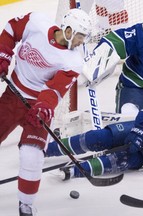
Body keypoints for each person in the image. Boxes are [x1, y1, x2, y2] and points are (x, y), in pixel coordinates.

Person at [0, 9, 91, 215]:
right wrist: (3, 53)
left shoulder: (74, 61)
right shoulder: (36, 22)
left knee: (32, 156)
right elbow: (11, 29)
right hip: (12, 96)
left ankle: (26, 205)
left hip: (39, 107)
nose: (80, 42)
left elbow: (55, 89)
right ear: (68, 30)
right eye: (79, 36)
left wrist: (44, 107)